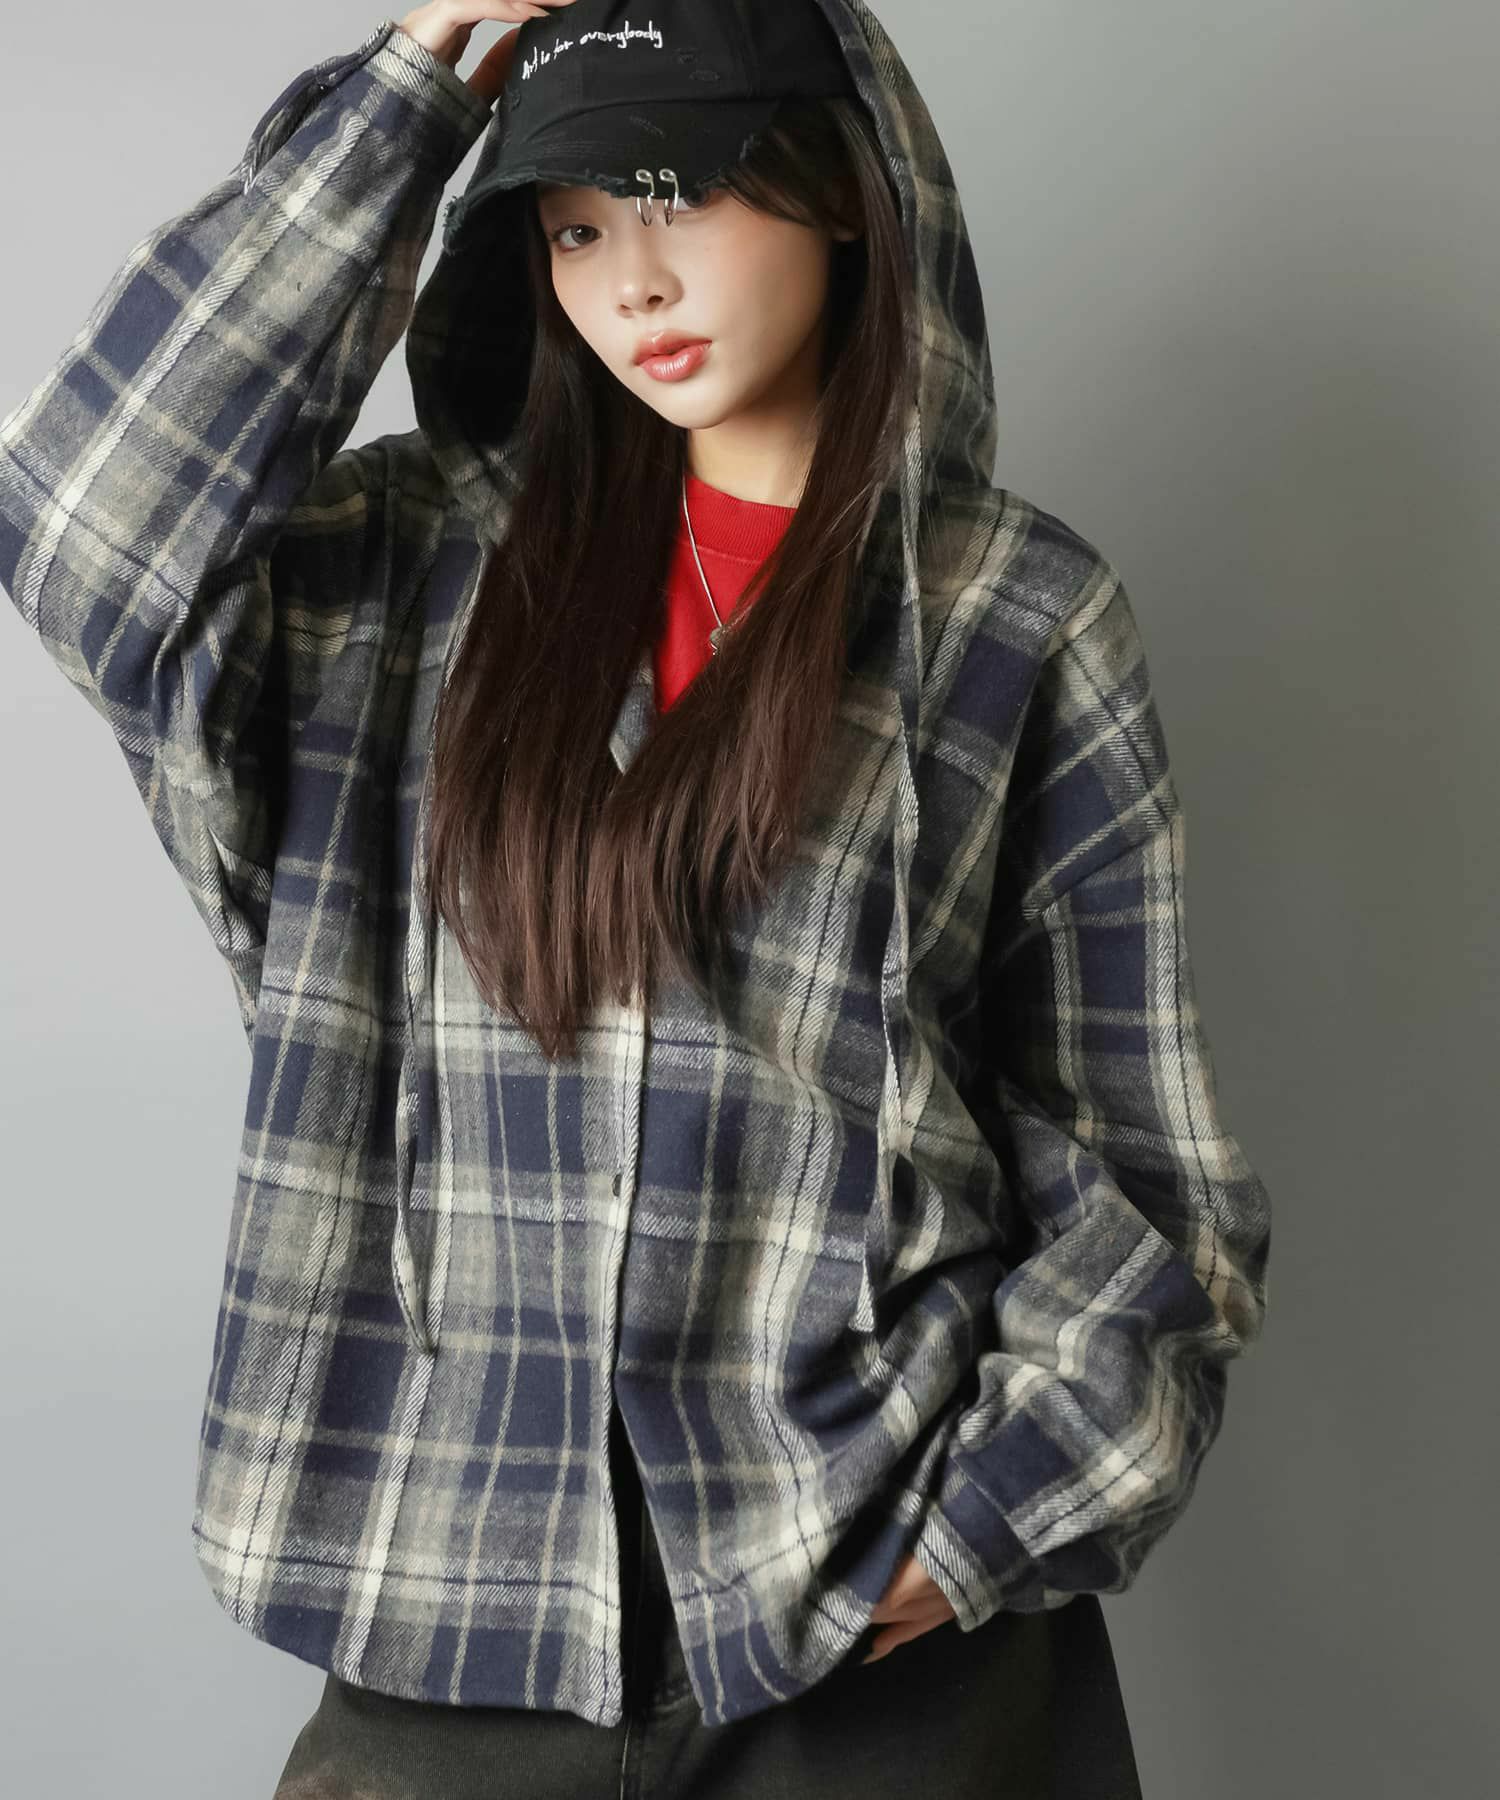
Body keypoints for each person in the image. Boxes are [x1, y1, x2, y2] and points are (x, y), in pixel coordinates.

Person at [0, 2, 1272, 1795]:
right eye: (576, 225)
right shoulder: (396, 575)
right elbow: (82, 525)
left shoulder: (1017, 617)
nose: (634, 282)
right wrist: (415, 86)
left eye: (680, 195)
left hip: (881, 1651)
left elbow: (1135, 1162)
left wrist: (989, 1519)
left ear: (842, 188)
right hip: (452, 1611)